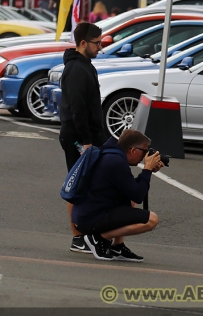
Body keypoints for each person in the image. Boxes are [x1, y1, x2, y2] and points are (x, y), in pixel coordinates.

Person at [73, 129, 165, 262]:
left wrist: (148, 171)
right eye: (144, 152)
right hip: (90, 219)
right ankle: (98, 238)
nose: (145, 156)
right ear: (133, 150)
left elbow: (133, 191)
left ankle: (117, 246)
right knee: (152, 220)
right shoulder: (116, 162)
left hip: (87, 214)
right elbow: (139, 195)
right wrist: (146, 170)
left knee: (130, 199)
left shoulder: (110, 155)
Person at [58, 21, 105, 252]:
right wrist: (87, 141)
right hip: (77, 137)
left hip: (90, 135)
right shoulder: (76, 69)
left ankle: (89, 233)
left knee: (92, 185)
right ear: (83, 43)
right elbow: (77, 109)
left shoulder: (86, 65)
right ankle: (78, 237)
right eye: (97, 43)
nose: (100, 48)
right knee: (76, 186)